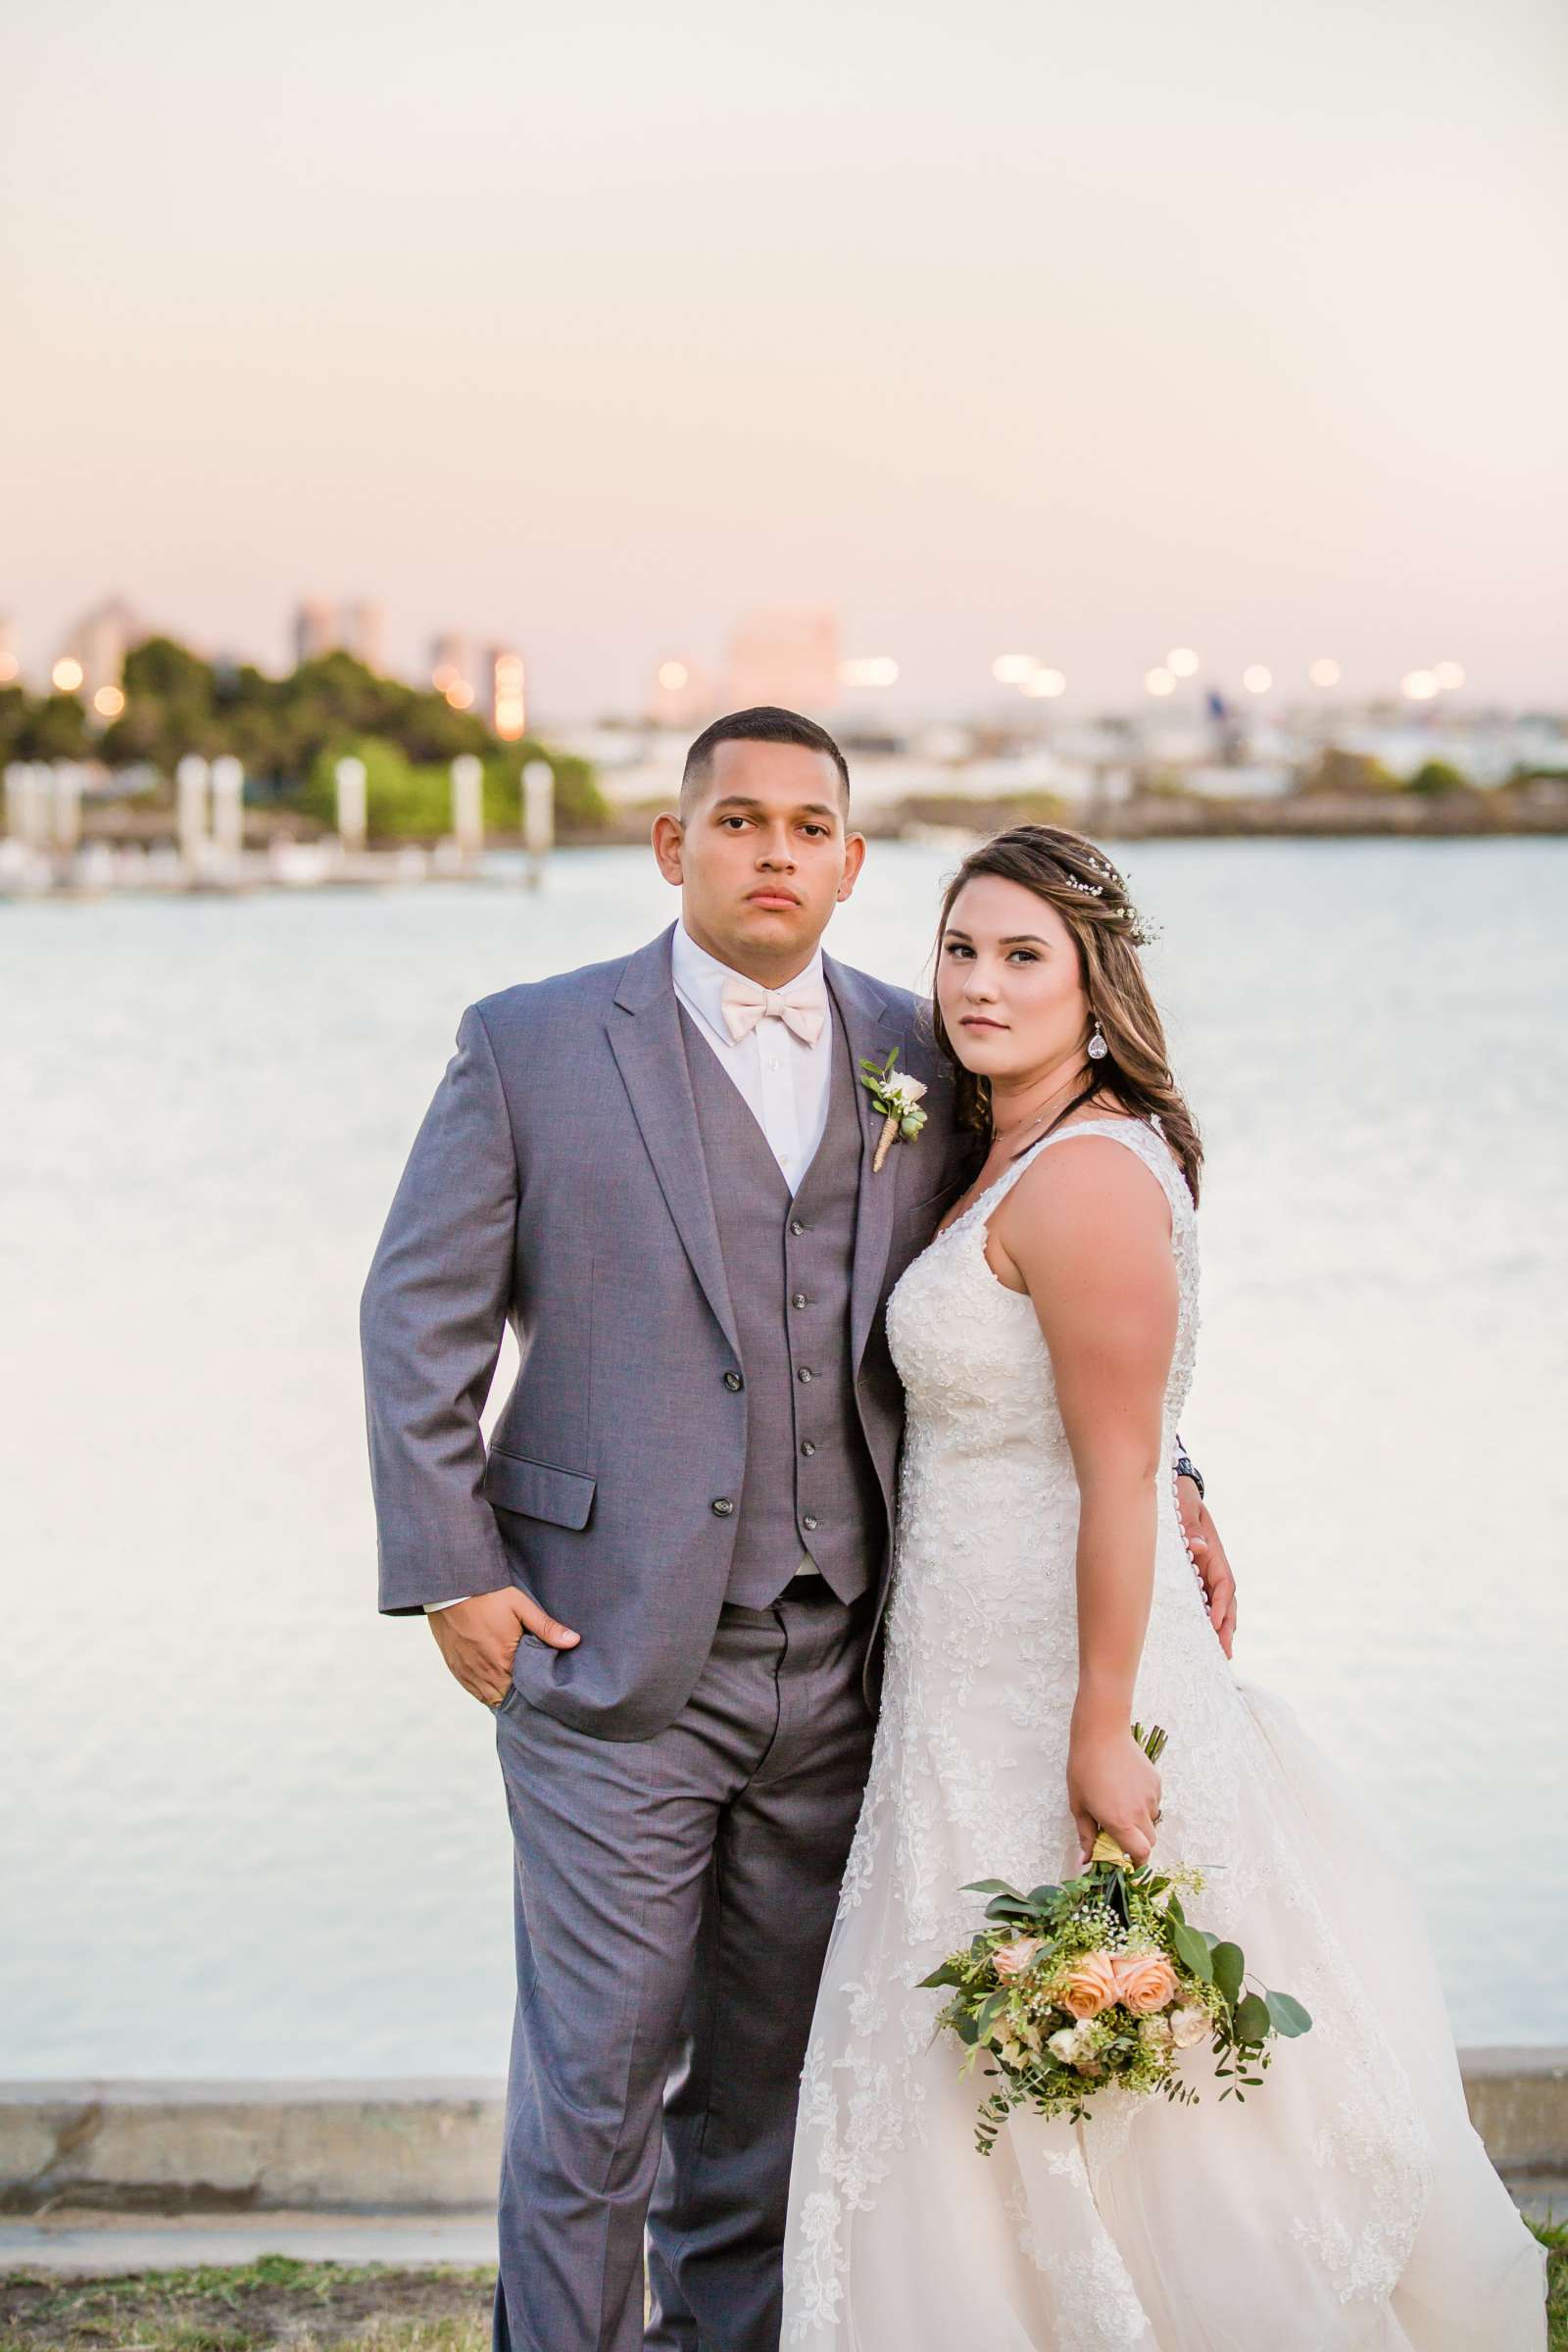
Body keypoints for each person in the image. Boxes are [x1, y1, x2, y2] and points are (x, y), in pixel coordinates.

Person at [360, 716, 1235, 2352]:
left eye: (810, 824)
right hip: (608, 1659)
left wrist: (1174, 1471)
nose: (774, 849)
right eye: (738, 819)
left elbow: (1055, 1293)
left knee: (770, 2098)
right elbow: (419, 1323)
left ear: (848, 858)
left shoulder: (934, 1046)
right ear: (669, 843)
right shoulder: (532, 1044)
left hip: (853, 1665)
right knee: (597, 2090)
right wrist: (452, 1570)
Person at [781, 823, 1545, 2349]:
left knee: (1130, 2101)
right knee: (971, 2075)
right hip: (959, 1674)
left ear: (1094, 980)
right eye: (959, 949)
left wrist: (1103, 1722)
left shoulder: (1087, 1179)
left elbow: (1121, 1467)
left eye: (1022, 957)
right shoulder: (988, 1137)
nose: (979, 985)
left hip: (1062, 1683)